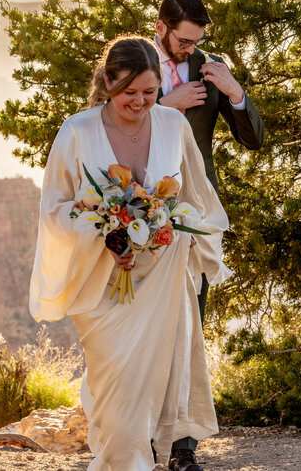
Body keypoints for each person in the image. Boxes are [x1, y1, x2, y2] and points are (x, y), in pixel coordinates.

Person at [29, 35, 231, 471]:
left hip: (161, 280)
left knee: (155, 385)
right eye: (128, 93)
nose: (140, 103)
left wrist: (184, 232)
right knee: (116, 399)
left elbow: (197, 199)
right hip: (101, 284)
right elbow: (54, 210)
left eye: (150, 92)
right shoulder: (77, 130)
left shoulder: (174, 125)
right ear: (106, 82)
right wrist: (105, 230)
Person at [153, 0, 264, 470]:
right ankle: (134, 439)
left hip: (196, 214)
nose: (189, 51)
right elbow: (108, 117)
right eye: (182, 42)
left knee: (191, 326)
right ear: (161, 28)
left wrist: (237, 95)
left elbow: (254, 140)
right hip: (139, 207)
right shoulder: (133, 59)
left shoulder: (211, 65)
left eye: (196, 42)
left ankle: (183, 451)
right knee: (143, 326)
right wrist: (165, 103)